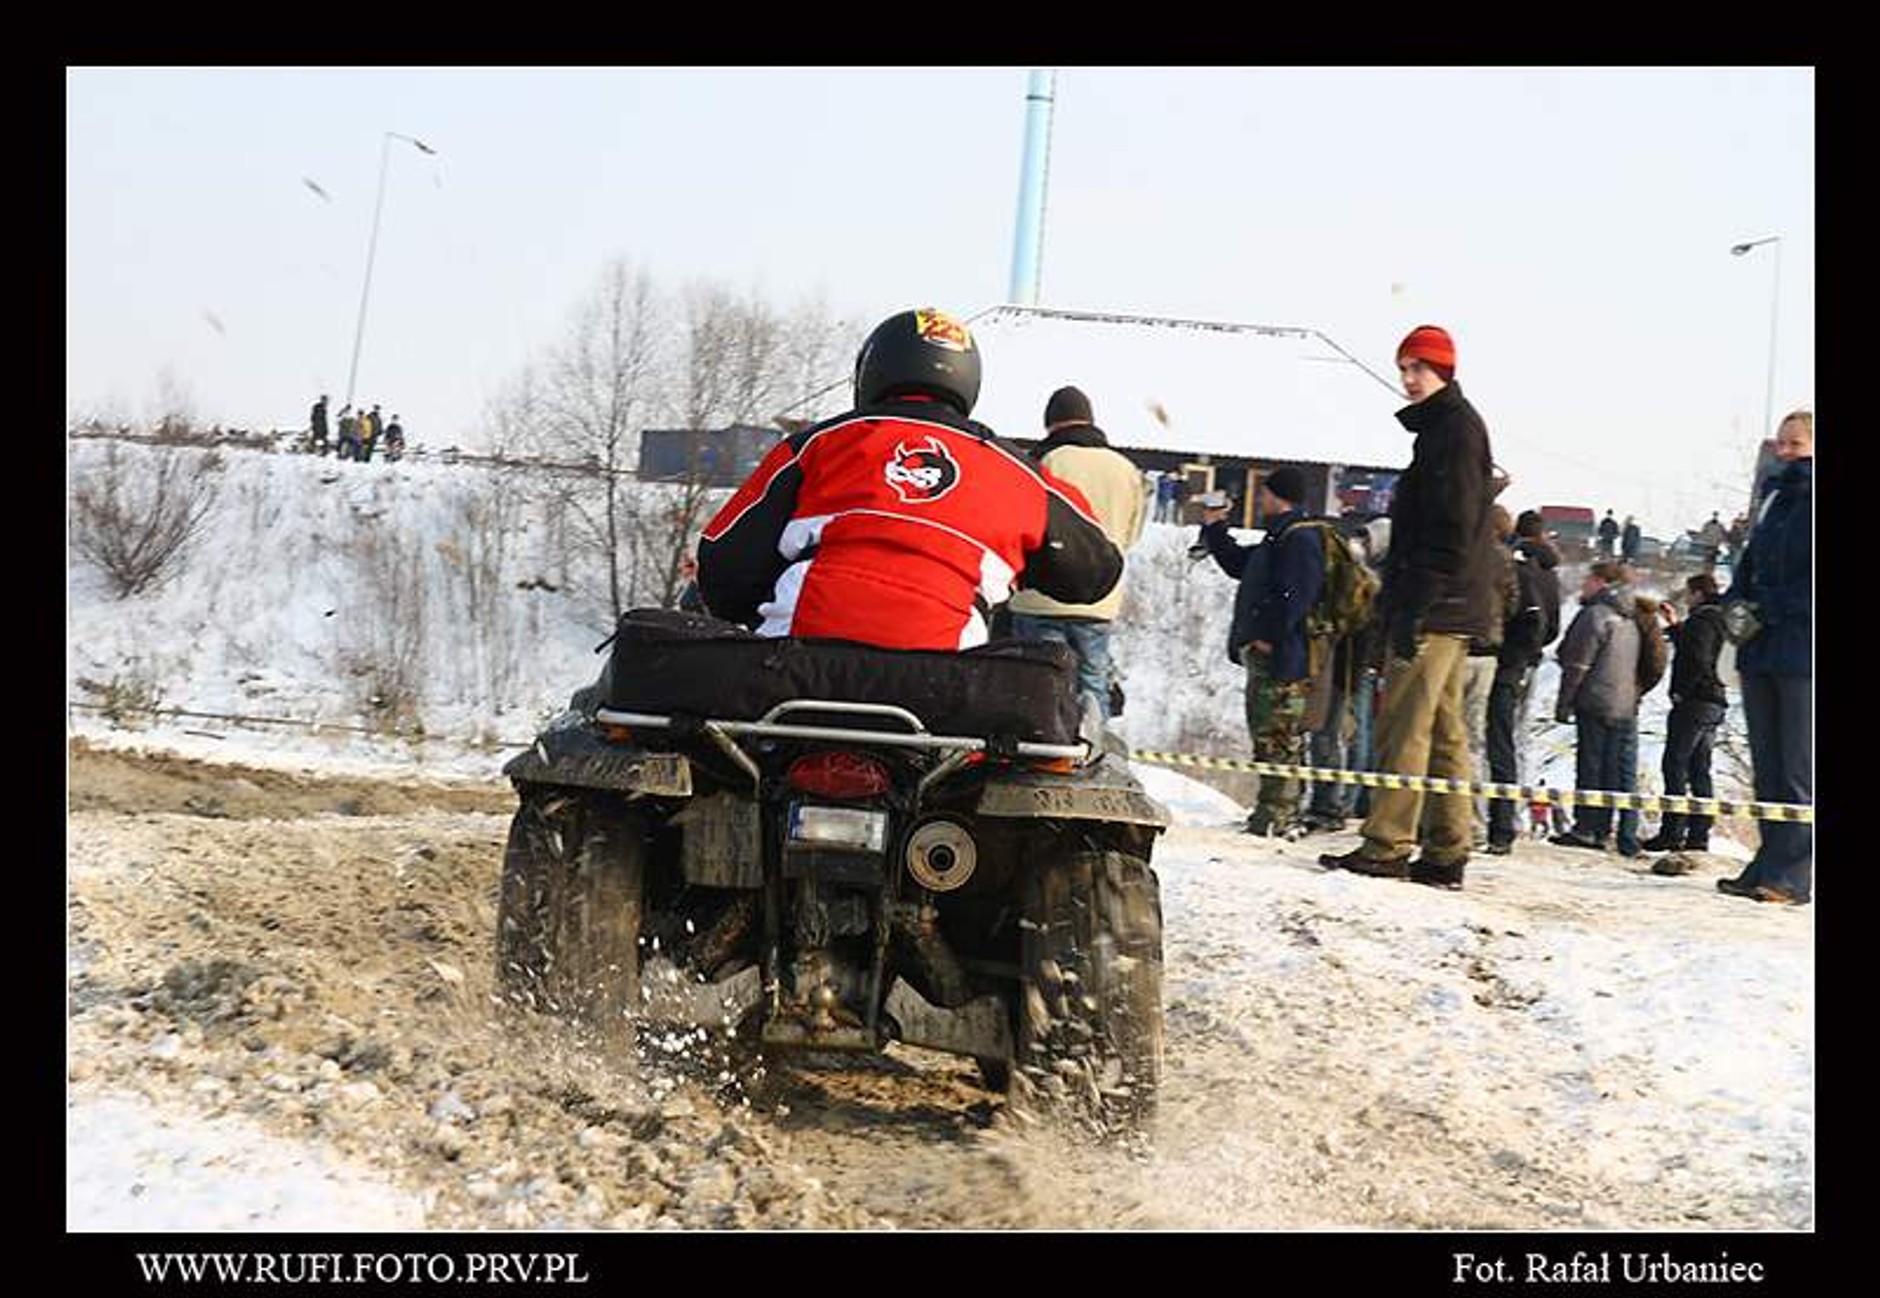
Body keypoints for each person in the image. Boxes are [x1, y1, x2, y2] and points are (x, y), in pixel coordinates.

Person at [696, 308, 1121, 652]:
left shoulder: (819, 444)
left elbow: (723, 559)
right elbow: (1095, 569)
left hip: (799, 659)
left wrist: (746, 608)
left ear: (872, 370)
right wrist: (1021, 570)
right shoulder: (1016, 471)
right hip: (942, 687)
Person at [1319, 324, 1499, 889]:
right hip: (1451, 601)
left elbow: (1449, 527)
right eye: (1404, 369)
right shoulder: (1448, 430)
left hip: (1437, 603)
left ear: (1444, 371)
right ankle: (1448, 846)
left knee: (1405, 725)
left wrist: (1413, 604)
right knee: (1444, 731)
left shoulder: (1454, 432)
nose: (1409, 379)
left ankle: (1388, 843)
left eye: (1419, 368)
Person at [1007, 386, 1149, 724]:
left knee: (1041, 684)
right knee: (1092, 685)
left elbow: (1020, 521)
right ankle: (1089, 754)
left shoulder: (1045, 461)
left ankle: (1040, 754)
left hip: (1039, 598)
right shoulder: (1126, 470)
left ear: (1051, 424)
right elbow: (1131, 534)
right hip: (1099, 600)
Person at [1717, 411, 1813, 905]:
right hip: (1760, 648)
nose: (1784, 451)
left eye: (1795, 443)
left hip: (1802, 650)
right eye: (1781, 442)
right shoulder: (1773, 498)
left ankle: (1793, 873)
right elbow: (1750, 564)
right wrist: (1735, 602)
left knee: (1796, 765)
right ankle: (1768, 860)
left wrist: (1770, 607)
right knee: (1768, 763)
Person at [1198, 466, 1325, 836]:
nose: (1260, 498)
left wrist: (1268, 636)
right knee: (1267, 733)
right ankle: (1271, 812)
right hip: (1271, 655)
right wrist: (1215, 528)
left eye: (1265, 492)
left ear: (1277, 495)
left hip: (1284, 659)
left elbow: (1295, 596)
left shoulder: (1299, 539)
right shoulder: (1279, 536)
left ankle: (1278, 815)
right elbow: (1242, 565)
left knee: (1279, 737)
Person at [1549, 561, 1644, 857]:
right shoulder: (1630, 618)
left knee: (1590, 767)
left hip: (1595, 699)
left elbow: (1577, 663)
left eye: (1588, 579)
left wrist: (1564, 702)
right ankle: (1606, 828)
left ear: (1601, 582)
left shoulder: (1595, 615)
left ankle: (1587, 828)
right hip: (1623, 702)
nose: (1583, 585)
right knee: (1614, 771)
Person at [1485, 509, 1563, 853]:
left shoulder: (1514, 567)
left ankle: (1497, 823)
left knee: (1490, 740)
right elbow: (1552, 626)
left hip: (1502, 660)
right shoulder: (1550, 574)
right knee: (1513, 742)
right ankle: (1509, 819)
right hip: (1526, 663)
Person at [1641, 572, 1728, 853]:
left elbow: (1698, 657)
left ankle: (1672, 831)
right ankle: (1699, 834)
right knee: (1700, 768)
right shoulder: (1719, 618)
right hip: (1714, 702)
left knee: (1675, 764)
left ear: (1697, 594)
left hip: (1694, 702)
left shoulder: (1702, 620)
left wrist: (1682, 691)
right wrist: (1677, 627)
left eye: (1689, 594)